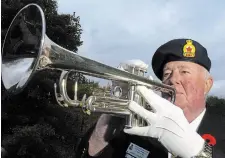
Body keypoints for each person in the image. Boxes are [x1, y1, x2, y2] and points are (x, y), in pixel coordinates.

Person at [76, 39, 225, 158]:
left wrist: (198, 152)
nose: (173, 80)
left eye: (185, 71)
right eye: (166, 74)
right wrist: (108, 119)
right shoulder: (139, 126)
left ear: (207, 84)